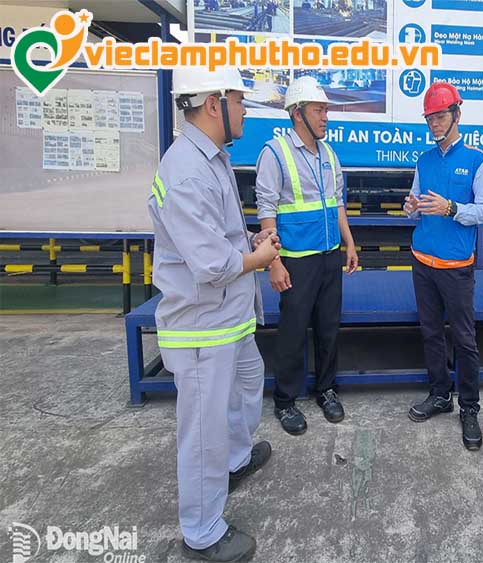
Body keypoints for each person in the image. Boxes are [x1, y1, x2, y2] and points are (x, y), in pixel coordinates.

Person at [149, 66, 281, 561]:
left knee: (247, 383)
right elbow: (211, 265)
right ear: (213, 103)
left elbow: (217, 236)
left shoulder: (211, 158)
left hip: (229, 316)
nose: (245, 110)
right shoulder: (186, 171)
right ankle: (202, 531)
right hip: (201, 325)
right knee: (203, 429)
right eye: (240, 101)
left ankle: (235, 459)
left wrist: (250, 242)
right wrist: (259, 258)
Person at [255, 75, 358, 435]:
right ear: (297, 113)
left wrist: (349, 243)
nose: (325, 117)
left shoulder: (329, 154)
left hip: (329, 257)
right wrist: (274, 262)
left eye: (326, 110)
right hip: (296, 261)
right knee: (293, 332)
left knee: (329, 329)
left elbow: (337, 202)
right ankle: (285, 401)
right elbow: (266, 210)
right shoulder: (275, 153)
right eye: (318, 110)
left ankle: (326, 390)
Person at [404, 82, 483, 450]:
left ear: (457, 114)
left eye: (440, 116)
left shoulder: (476, 160)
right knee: (430, 333)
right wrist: (411, 207)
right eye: (429, 118)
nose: (434, 124)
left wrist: (452, 208)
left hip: (456, 267)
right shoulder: (424, 160)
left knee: (464, 339)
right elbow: (415, 206)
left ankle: (469, 408)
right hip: (422, 262)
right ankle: (440, 394)